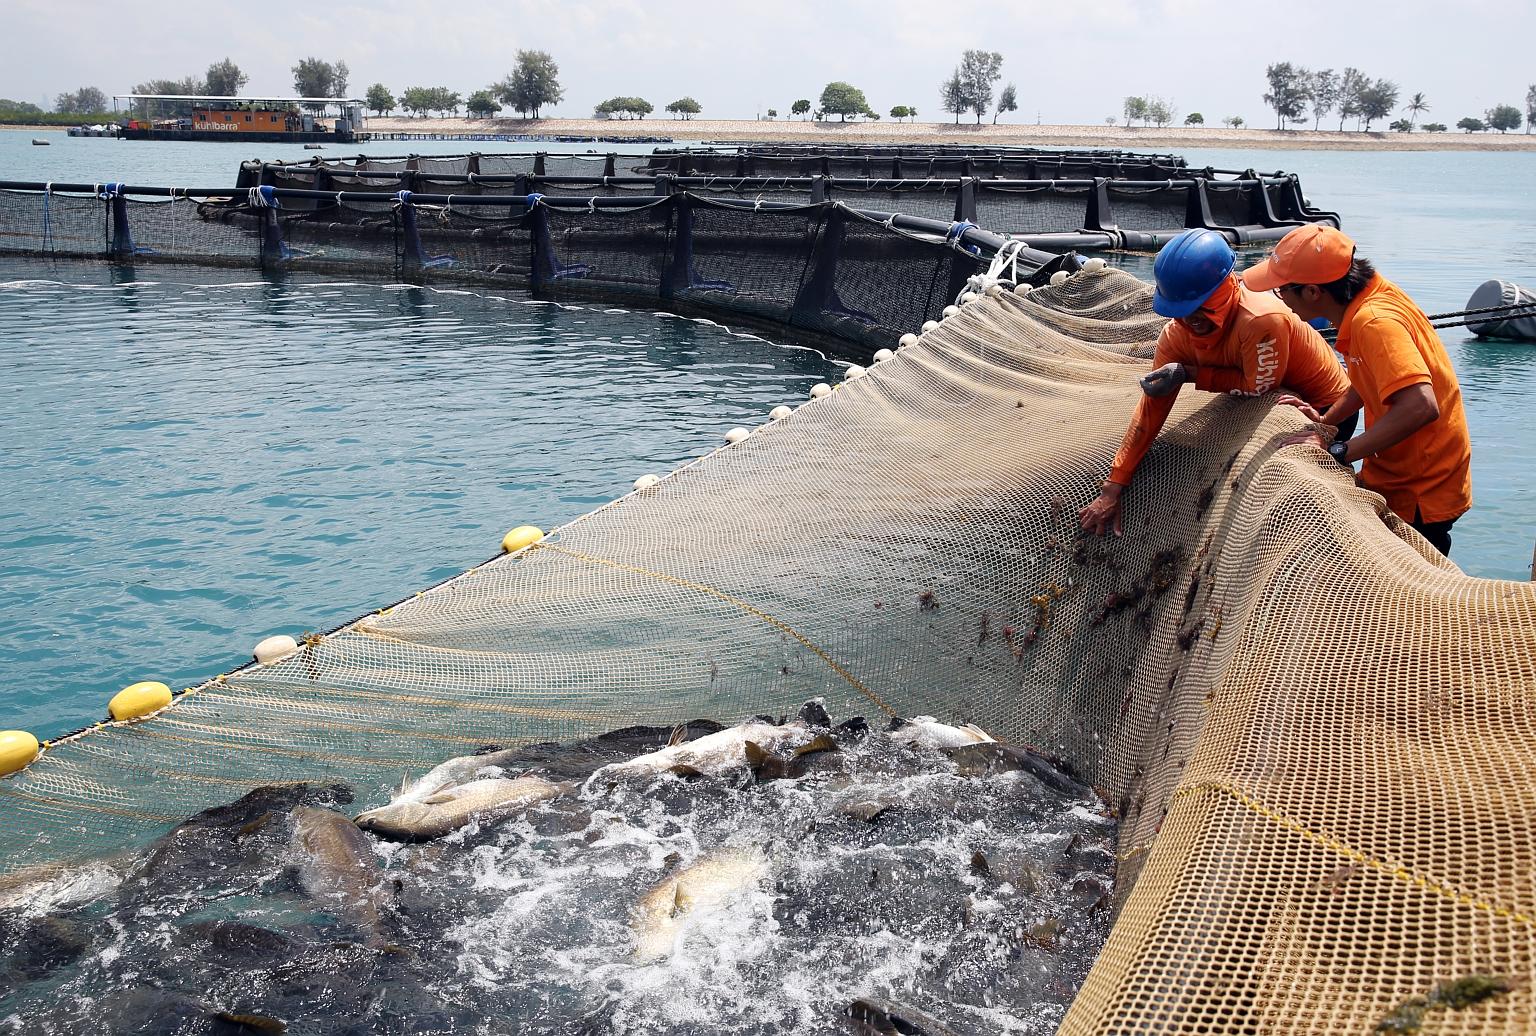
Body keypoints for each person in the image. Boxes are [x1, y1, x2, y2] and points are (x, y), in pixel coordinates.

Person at [1079, 229, 1351, 536]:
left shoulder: (1260, 321)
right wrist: (1114, 486)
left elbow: (1258, 386)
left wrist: (1191, 374)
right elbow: (1151, 411)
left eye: (1202, 306)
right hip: (1262, 392)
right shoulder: (1175, 335)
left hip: (1327, 406)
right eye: (1182, 311)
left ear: (1228, 285)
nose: (1191, 319)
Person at [1242, 224, 1471, 556]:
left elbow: (1421, 405)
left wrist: (1341, 451)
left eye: (1281, 291)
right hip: (1400, 471)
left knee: (1410, 591)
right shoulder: (1371, 296)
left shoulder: (1374, 322)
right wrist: (1325, 423)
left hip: (1420, 490)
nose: (1280, 300)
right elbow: (1369, 380)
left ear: (1311, 292)